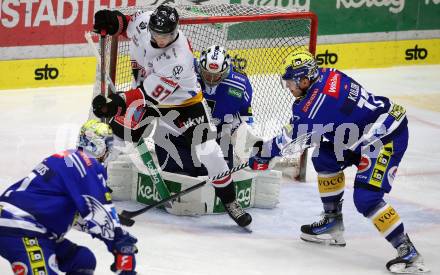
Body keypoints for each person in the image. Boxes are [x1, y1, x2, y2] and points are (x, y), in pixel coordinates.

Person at [248, 49, 429, 273]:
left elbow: (290, 139)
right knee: (324, 158)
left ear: (305, 80)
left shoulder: (314, 105)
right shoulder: (326, 74)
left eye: (291, 83)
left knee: (367, 198)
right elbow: (318, 126)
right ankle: (333, 221)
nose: (288, 87)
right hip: (360, 133)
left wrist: (263, 154)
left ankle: (407, 251)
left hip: (385, 137)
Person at [91, 5, 252, 227]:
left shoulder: (179, 57)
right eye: (157, 34)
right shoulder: (145, 22)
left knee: (209, 152)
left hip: (184, 103)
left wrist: (116, 102)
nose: (161, 39)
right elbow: (127, 24)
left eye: (166, 35)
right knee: (116, 136)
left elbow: (147, 95)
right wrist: (113, 21)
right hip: (147, 93)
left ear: (175, 31)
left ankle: (231, 201)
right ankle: (91, 184)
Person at [0, 120, 138, 275]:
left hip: (25, 224)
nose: (108, 153)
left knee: (81, 260)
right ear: (100, 146)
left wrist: (112, 232)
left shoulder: (68, 159)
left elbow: (80, 215)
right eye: (108, 147)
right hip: (21, 227)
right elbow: (98, 208)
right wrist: (118, 239)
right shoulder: (87, 164)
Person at [155, 45, 254, 174]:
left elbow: (245, 117)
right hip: (183, 134)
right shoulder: (184, 73)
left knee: (220, 178)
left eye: (216, 76)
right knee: (178, 175)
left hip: (218, 138)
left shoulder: (240, 85)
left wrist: (242, 141)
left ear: (225, 72)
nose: (211, 79)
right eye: (207, 74)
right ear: (200, 68)